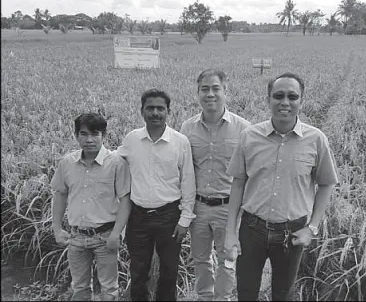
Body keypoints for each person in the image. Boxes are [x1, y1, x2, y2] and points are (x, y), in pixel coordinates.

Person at [224, 72, 339, 301]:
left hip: (292, 232)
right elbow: (238, 183)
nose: (285, 102)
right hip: (252, 229)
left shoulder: (316, 139)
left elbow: (326, 184)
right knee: (246, 292)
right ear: (268, 99)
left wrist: (312, 228)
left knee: (283, 294)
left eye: (292, 96)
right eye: (278, 96)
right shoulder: (250, 136)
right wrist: (230, 232)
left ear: (301, 101)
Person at [116, 88, 196, 301]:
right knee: (138, 271)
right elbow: (112, 163)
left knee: (170, 271)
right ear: (142, 111)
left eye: (160, 108)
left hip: (169, 217)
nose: (155, 113)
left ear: (168, 111)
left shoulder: (180, 142)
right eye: (150, 108)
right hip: (138, 217)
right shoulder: (131, 139)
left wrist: (185, 218)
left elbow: (188, 181)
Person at [180, 69, 251, 301]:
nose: (210, 94)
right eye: (205, 89)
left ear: (225, 91)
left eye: (215, 88)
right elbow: (183, 169)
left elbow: (250, 172)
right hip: (198, 207)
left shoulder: (243, 129)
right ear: (198, 93)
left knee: (227, 258)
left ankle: (223, 298)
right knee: (200, 258)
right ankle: (204, 296)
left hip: (228, 207)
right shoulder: (187, 128)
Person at [51, 113, 131, 301]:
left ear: (104, 135)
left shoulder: (116, 164)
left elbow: (126, 201)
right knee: (79, 288)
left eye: (95, 134)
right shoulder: (67, 163)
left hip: (105, 236)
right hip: (76, 237)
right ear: (76, 135)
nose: (89, 140)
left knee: (109, 289)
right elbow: (60, 195)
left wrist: (117, 233)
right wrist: (56, 228)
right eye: (83, 134)